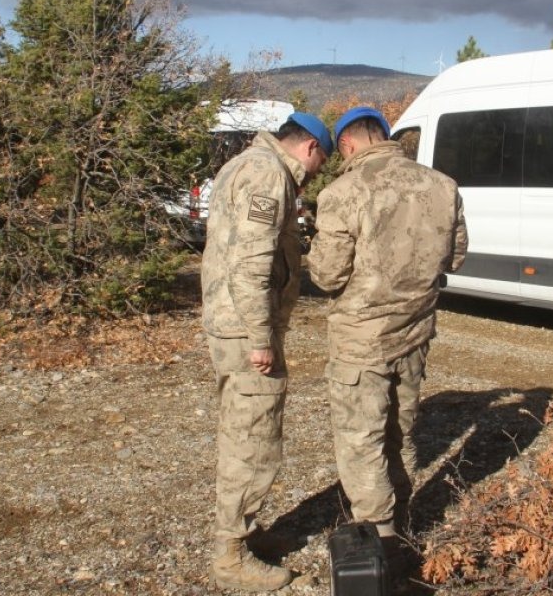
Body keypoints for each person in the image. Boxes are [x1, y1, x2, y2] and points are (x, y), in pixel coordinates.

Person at [307, 106, 468, 545]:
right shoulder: (443, 185)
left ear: (347, 144)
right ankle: (404, 518)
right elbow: (455, 257)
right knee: (399, 434)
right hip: (415, 334)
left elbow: (327, 275)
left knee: (363, 443)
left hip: (361, 344)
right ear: (384, 133)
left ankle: (381, 541)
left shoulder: (344, 192)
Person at [200, 112, 332, 592]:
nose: (314, 175)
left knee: (241, 430)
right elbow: (252, 263)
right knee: (252, 442)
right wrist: (261, 338)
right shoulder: (268, 174)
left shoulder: (243, 163)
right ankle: (231, 555)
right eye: (320, 163)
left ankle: (245, 532)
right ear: (311, 148)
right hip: (245, 330)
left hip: (229, 323)